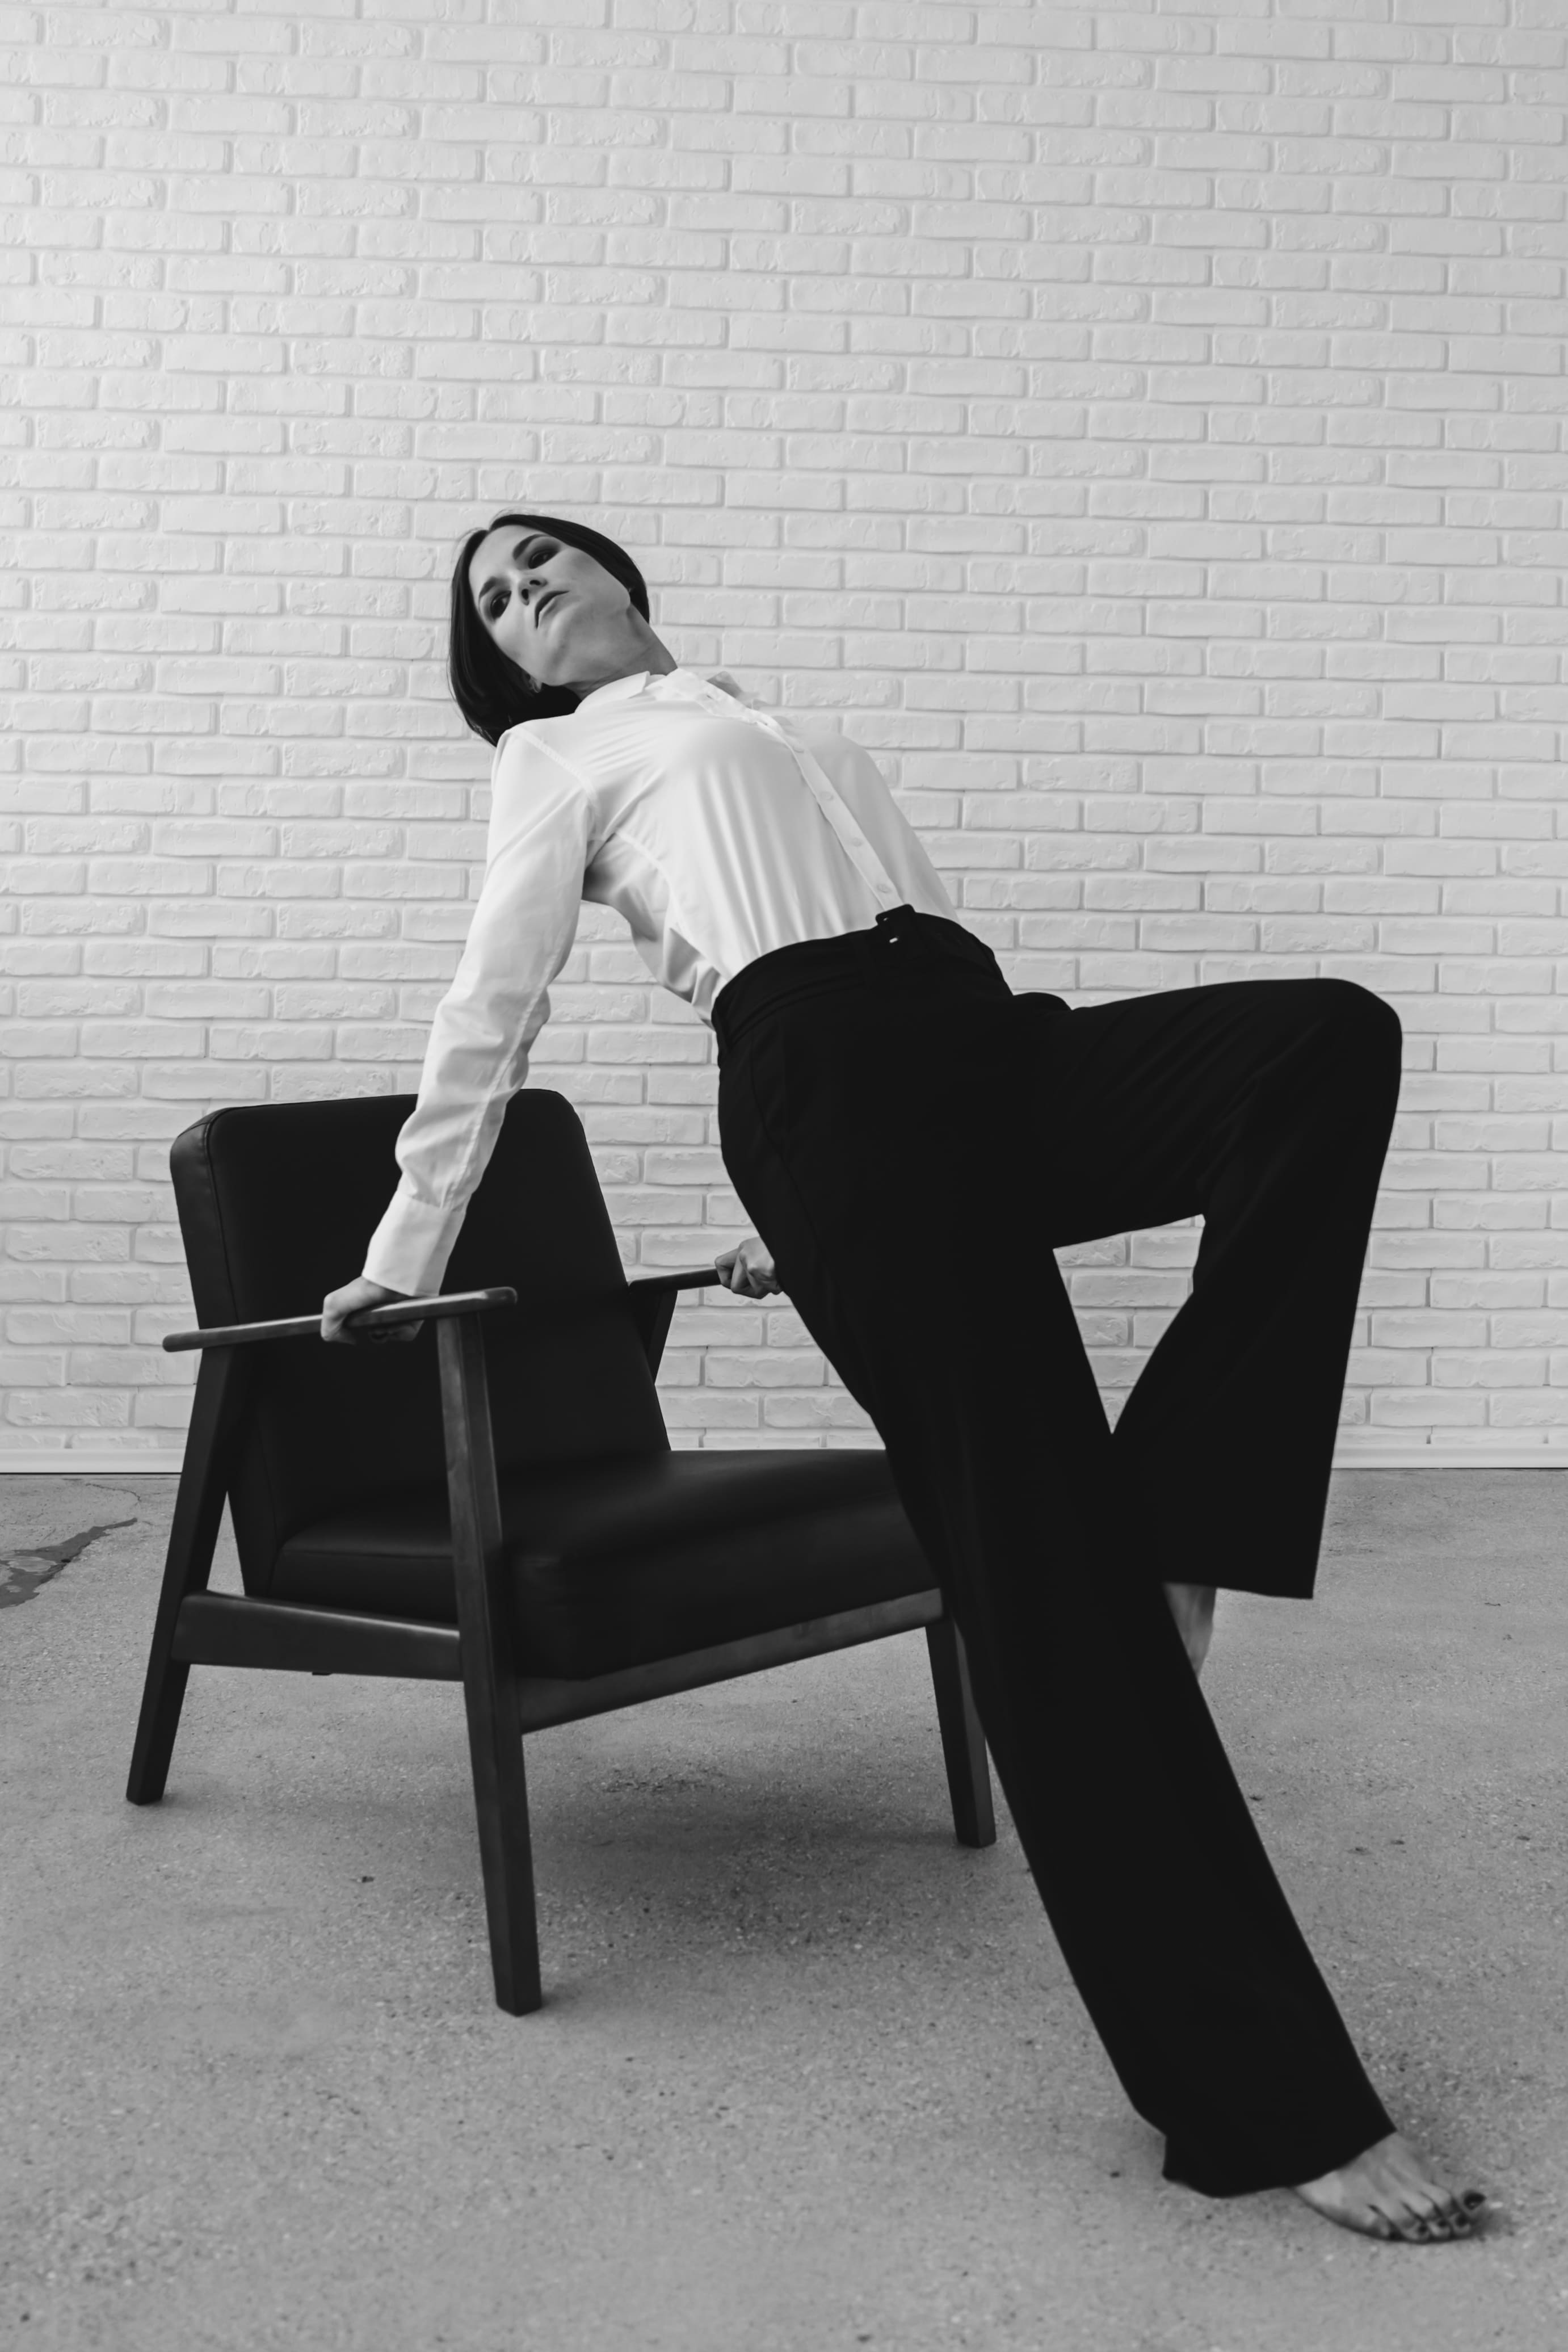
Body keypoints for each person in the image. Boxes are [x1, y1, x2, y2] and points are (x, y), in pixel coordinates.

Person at [322, 510, 1487, 2244]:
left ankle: (1190, 1509)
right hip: (832, 1099)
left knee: (1319, 1040)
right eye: (491, 599)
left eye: (541, 557)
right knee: (1049, 1582)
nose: (523, 591)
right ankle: (1265, 2106)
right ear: (496, 659)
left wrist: (860, 1192)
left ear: (618, 572)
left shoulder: (765, 718)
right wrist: (408, 1246)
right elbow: (494, 1003)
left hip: (980, 1050)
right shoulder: (554, 760)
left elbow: (905, 935)